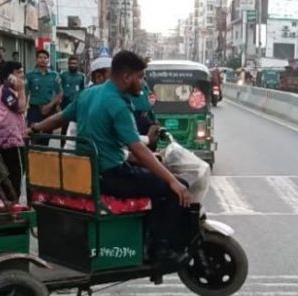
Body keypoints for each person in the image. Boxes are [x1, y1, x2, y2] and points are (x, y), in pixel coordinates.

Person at [34, 51, 191, 263]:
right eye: (140, 77)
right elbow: (138, 149)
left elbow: (60, 117)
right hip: (113, 176)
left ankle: (147, 236)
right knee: (178, 186)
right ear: (126, 77)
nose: (142, 83)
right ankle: (159, 249)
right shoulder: (118, 104)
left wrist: (34, 128)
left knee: (155, 179)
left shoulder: (89, 94)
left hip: (90, 173)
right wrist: (172, 181)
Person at [0, 61, 28, 196]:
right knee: (16, 171)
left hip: (12, 136)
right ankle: (11, 199)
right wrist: (21, 90)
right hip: (11, 139)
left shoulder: (10, 90)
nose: (22, 75)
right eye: (18, 72)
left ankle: (8, 197)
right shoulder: (6, 91)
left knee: (11, 170)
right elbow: (20, 108)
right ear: (10, 76)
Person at [25, 50, 63, 129]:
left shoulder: (54, 75)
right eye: (40, 57)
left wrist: (49, 106)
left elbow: (60, 93)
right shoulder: (30, 75)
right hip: (34, 109)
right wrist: (24, 108)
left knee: (47, 134)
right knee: (33, 132)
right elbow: (25, 92)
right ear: (36, 59)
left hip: (49, 108)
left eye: (45, 58)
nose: (43, 60)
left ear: (48, 60)